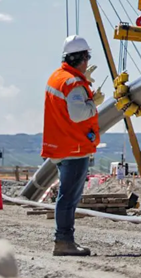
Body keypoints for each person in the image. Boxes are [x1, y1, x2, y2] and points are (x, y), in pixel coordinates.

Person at [42, 35, 102, 257]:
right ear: (83, 59)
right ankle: (64, 241)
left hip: (61, 145)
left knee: (65, 196)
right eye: (87, 58)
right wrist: (93, 103)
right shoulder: (73, 84)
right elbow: (78, 114)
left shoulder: (58, 77)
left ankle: (64, 240)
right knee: (68, 198)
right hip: (74, 147)